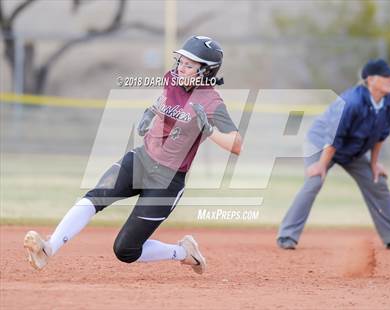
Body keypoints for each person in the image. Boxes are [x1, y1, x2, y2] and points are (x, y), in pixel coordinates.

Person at [23, 35, 242, 273]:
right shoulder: (172, 79)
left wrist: (209, 132)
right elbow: (166, 100)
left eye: (189, 65)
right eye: (181, 61)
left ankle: (184, 252)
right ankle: (49, 248)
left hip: (167, 181)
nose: (181, 67)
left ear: (206, 71)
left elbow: (236, 144)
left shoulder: (211, 101)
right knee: (96, 195)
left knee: (125, 250)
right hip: (141, 159)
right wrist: (151, 111)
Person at [277, 58, 390, 251]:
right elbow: (334, 138)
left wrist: (374, 164)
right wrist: (321, 165)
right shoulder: (352, 102)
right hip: (321, 143)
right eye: (386, 76)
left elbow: (381, 136)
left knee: (378, 182)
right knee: (314, 180)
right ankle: (287, 236)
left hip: (353, 150)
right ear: (370, 80)